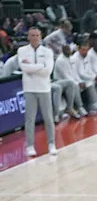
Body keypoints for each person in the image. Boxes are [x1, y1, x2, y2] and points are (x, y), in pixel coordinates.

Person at [16, 27, 58, 157]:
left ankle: (51, 144)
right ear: (28, 37)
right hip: (29, 89)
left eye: (37, 35)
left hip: (44, 88)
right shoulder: (22, 51)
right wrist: (40, 66)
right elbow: (24, 68)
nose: (35, 37)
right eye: (32, 35)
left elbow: (48, 71)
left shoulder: (48, 52)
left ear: (41, 37)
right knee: (30, 119)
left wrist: (33, 68)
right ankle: (30, 146)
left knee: (48, 118)